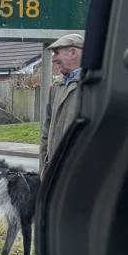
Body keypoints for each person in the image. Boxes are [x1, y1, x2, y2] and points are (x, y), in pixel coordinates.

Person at [40, 32, 84, 173]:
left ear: (73, 53)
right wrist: (44, 171)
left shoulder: (91, 85)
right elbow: (46, 133)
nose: (53, 59)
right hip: (54, 171)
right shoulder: (55, 87)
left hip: (76, 172)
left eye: (56, 53)